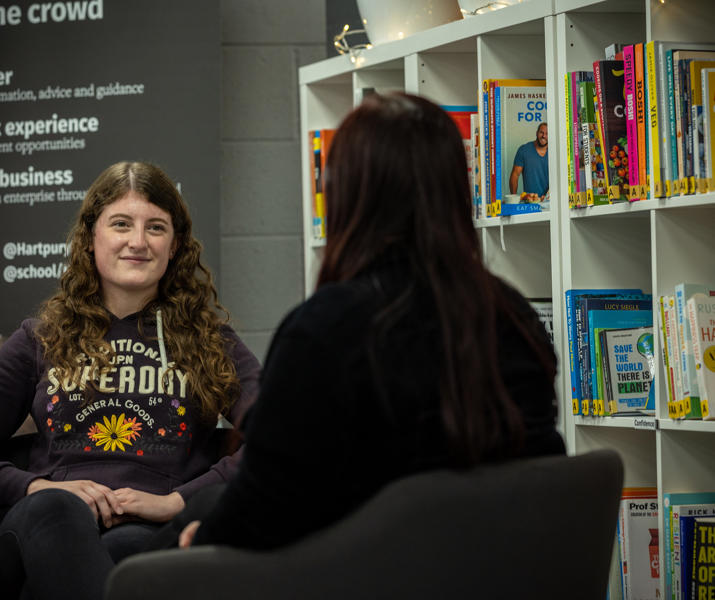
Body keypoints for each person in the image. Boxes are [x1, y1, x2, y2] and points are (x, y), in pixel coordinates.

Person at [177, 93, 564, 551]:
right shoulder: (514, 315)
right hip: (500, 569)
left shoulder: (324, 331)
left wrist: (202, 540)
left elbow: (266, 507)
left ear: (345, 194)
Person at [0, 161, 261, 599]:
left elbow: (281, 436)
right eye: (121, 224)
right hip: (41, 519)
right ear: (91, 238)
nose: (137, 242)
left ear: (175, 245)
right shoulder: (39, 337)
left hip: (150, 527)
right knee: (56, 512)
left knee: (127, 556)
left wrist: (178, 501)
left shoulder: (209, 339)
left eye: (155, 228)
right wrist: (35, 485)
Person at [509, 122, 548, 199]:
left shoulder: (555, 152)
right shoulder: (524, 150)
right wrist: (513, 198)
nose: (544, 136)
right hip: (530, 201)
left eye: (547, 134)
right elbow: (515, 175)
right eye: (541, 132)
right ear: (536, 133)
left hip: (550, 201)